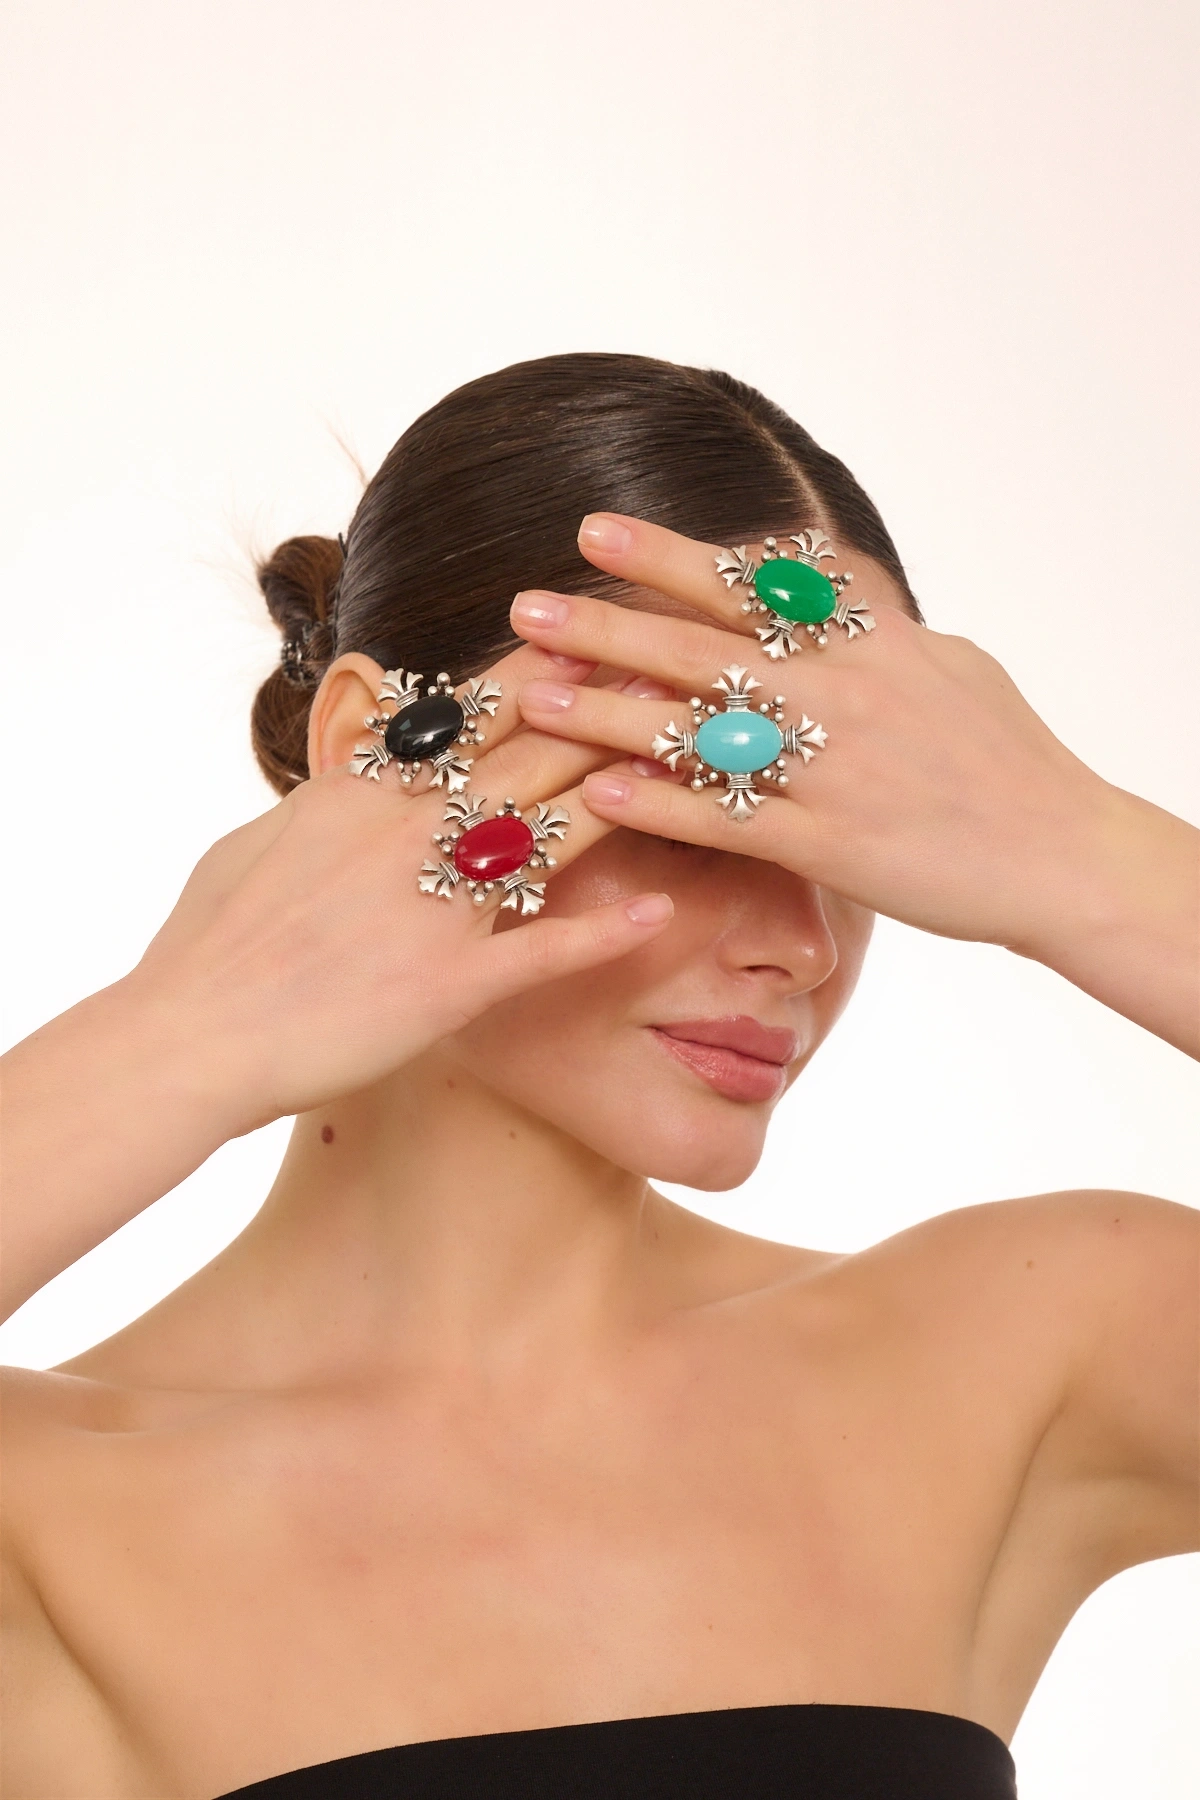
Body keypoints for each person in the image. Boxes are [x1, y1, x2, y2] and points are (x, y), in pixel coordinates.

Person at [2, 353, 1196, 1800]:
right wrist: (182, 1034)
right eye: (699, 800)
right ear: (372, 749)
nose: (802, 946)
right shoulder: (45, 1515)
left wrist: (1091, 861)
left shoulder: (1015, 1356)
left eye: (849, 828)